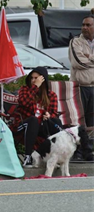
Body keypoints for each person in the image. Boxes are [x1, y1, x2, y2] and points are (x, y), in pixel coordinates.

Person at [10, 66, 63, 167]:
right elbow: (24, 102)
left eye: (36, 78)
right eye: (32, 78)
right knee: (33, 120)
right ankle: (28, 157)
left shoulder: (51, 95)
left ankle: (57, 156)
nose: (33, 80)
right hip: (24, 126)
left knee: (56, 122)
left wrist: (49, 116)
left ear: (43, 80)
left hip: (42, 127)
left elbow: (54, 113)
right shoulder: (25, 90)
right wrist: (35, 87)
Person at [68, 14, 94, 161]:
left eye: (88, 25)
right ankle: (76, 153)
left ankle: (88, 152)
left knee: (92, 122)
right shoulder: (75, 42)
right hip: (80, 87)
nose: (84, 27)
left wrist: (89, 57)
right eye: (83, 25)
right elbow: (78, 62)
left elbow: (85, 61)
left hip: (93, 87)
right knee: (78, 121)